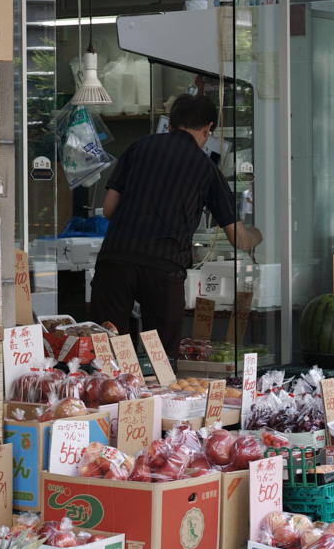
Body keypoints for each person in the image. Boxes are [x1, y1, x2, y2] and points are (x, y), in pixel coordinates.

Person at [91, 92, 262, 360]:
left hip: (116, 260)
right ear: (208, 130)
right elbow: (238, 239)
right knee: (160, 359)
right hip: (164, 268)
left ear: (170, 125)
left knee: (108, 349)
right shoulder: (206, 167)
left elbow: (109, 210)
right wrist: (257, 236)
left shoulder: (138, 147)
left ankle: (109, 398)